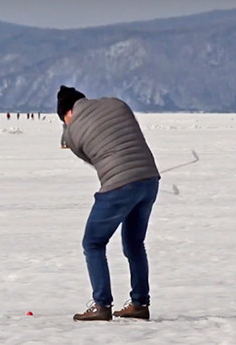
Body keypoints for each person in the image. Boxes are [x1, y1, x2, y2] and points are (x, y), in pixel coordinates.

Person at [57, 85, 160, 321]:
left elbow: (88, 157)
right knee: (134, 244)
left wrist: (68, 130)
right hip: (149, 179)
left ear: (68, 112)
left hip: (119, 185)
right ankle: (140, 303)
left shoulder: (72, 131)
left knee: (93, 242)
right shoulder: (116, 103)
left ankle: (102, 305)